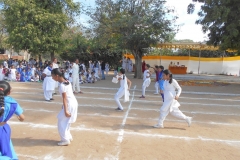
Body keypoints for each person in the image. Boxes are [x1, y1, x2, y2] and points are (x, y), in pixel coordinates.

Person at [51, 68, 78, 146]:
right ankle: (68, 137)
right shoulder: (67, 81)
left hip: (69, 104)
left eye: (53, 76)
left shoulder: (62, 85)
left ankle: (65, 139)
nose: (52, 78)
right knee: (67, 122)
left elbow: (65, 98)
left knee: (61, 122)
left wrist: (66, 110)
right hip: (73, 103)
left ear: (57, 75)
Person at [0, 81, 25, 159]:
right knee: (7, 148)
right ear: (9, 92)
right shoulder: (13, 103)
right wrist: (19, 118)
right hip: (4, 129)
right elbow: (22, 117)